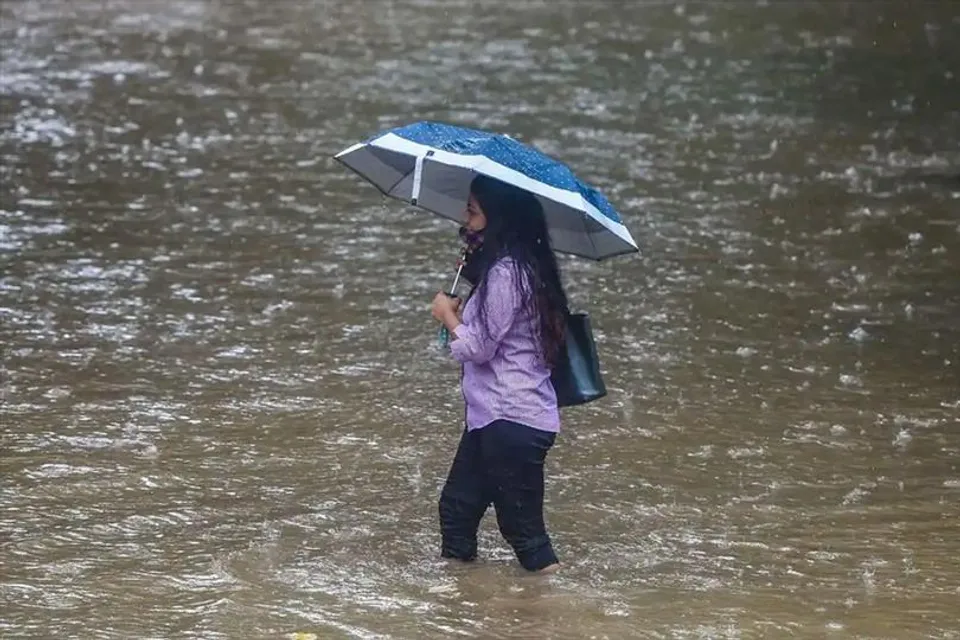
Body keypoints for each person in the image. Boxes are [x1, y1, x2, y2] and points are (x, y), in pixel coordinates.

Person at [430, 174, 569, 573]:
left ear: (498, 219)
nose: (465, 219)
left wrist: (448, 316)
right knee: (457, 509)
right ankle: (461, 607)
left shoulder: (508, 273)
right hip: (492, 417)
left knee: (524, 532)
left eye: (472, 212)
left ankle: (553, 615)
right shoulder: (511, 271)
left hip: (512, 418)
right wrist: (458, 317)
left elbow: (479, 348)